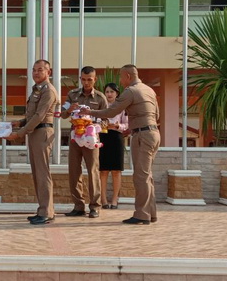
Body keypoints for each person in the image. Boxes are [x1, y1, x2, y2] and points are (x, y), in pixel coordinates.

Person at [77, 64, 160, 225]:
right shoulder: (149, 90)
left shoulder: (131, 91)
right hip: (153, 133)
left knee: (141, 176)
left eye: (121, 77)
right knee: (147, 175)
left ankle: (142, 215)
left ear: (128, 76)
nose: (120, 81)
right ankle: (151, 213)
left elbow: (111, 112)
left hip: (142, 136)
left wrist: (89, 112)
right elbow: (156, 115)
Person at [6, 59, 59, 225]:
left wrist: (19, 133)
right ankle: (44, 210)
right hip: (35, 133)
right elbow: (31, 116)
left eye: (40, 70)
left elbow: (39, 116)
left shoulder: (48, 91)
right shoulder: (37, 90)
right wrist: (18, 123)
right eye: (34, 70)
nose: (36, 73)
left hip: (42, 133)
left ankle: (46, 212)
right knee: (37, 174)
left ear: (48, 72)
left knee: (43, 174)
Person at [60, 66, 108, 218]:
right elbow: (62, 114)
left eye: (89, 80)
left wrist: (93, 125)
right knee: (74, 171)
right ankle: (78, 206)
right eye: (84, 79)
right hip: (75, 137)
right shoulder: (72, 94)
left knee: (92, 171)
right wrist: (69, 110)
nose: (86, 83)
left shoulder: (100, 98)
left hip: (91, 139)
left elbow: (106, 120)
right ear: (80, 79)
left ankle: (95, 206)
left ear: (95, 79)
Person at [98, 82, 129, 209]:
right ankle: (103, 199)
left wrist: (117, 126)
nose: (109, 94)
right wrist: (101, 125)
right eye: (107, 91)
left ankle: (115, 199)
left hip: (116, 138)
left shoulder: (122, 107)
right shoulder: (101, 106)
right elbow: (94, 121)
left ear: (117, 94)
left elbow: (127, 124)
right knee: (103, 170)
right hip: (103, 137)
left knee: (116, 170)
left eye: (112, 92)